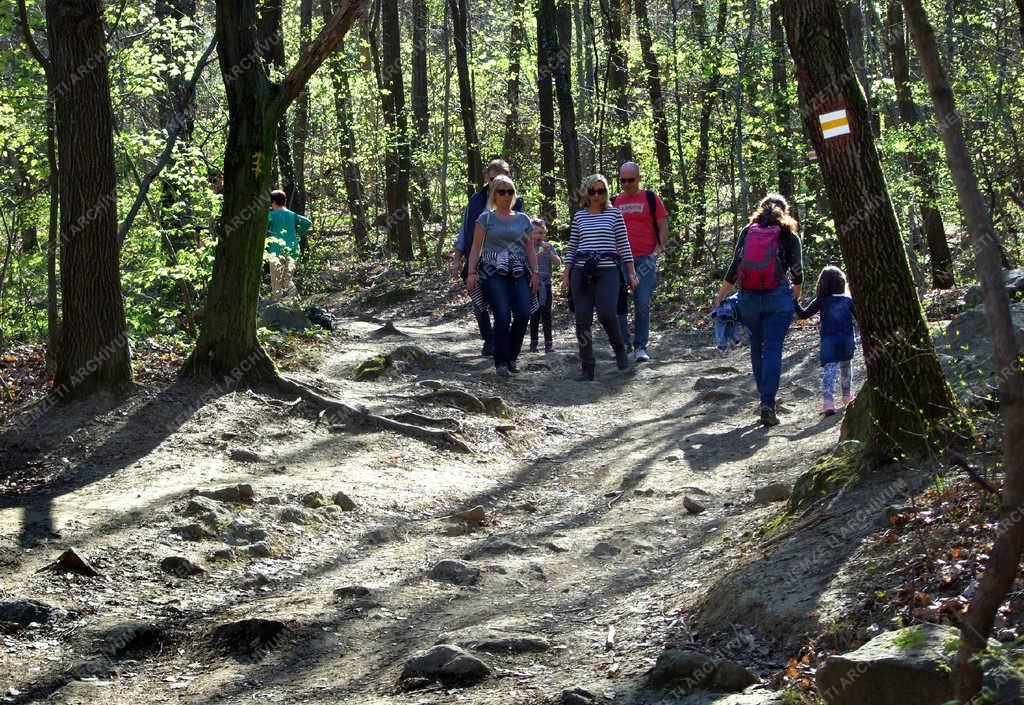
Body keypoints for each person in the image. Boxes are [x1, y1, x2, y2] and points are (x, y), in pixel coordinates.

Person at [714, 194, 803, 427]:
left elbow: (735, 266)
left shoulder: (748, 231)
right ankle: (768, 403)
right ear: (784, 211)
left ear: (759, 209)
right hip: (777, 299)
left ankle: (764, 395)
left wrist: (722, 294)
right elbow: (797, 270)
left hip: (749, 299)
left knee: (756, 345)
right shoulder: (788, 234)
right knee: (773, 348)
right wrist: (797, 290)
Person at [562, 174, 638, 381]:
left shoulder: (615, 215)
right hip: (582, 271)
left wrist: (631, 273)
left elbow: (624, 245)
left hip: (608, 270)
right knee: (582, 319)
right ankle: (587, 366)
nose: (597, 195)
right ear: (587, 192)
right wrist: (566, 273)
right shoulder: (579, 216)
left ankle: (620, 349)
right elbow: (573, 247)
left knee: (607, 313)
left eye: (601, 191)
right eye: (593, 191)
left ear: (606, 192)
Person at [465, 175, 540, 377]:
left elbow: (530, 250)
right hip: (492, 270)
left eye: (510, 192)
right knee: (502, 313)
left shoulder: (523, 219)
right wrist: (471, 272)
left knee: (524, 313)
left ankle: (512, 357)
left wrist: (535, 274)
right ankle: (501, 362)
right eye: (502, 191)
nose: (506, 195)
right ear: (494, 194)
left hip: (518, 269)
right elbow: (475, 248)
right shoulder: (485, 218)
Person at [451, 159, 525, 356]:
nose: (497, 182)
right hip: (476, 257)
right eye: (492, 178)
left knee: (503, 304)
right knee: (479, 302)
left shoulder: (515, 200)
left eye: (503, 177)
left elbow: (523, 234)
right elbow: (464, 231)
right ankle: (489, 338)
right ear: (487, 178)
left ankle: (502, 343)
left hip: (505, 261)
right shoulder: (476, 200)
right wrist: (458, 259)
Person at [612, 162, 669, 362]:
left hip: (645, 258)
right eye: (623, 180)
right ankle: (623, 344)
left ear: (639, 178)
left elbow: (663, 226)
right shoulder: (614, 201)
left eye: (631, 179)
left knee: (642, 303)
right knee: (618, 305)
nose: (627, 184)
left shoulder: (651, 199)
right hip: (619, 259)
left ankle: (640, 346)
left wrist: (657, 250)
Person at [795, 266, 856, 415]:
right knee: (846, 368)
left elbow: (803, 315)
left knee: (830, 369)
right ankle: (847, 397)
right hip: (847, 339)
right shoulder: (848, 299)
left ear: (822, 284)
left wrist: (794, 300)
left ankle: (828, 402)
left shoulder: (821, 301)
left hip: (829, 341)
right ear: (842, 283)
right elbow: (860, 317)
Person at [266, 189, 312, 301]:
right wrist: (298, 234)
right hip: (293, 250)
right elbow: (308, 223)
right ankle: (297, 305)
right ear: (284, 201)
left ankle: (277, 310)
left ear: (272, 202)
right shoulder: (293, 215)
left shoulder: (271, 215)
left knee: (276, 283)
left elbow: (262, 228)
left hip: (276, 252)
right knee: (287, 280)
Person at [529, 219, 560, 353]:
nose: (538, 236)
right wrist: (537, 255)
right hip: (533, 285)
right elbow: (526, 264)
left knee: (546, 313)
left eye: (541, 233)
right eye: (535, 232)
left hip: (546, 284)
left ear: (545, 234)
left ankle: (549, 343)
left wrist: (550, 254)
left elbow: (558, 263)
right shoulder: (528, 248)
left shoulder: (549, 246)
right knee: (534, 314)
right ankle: (533, 343)